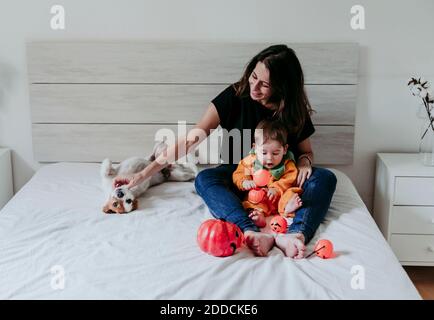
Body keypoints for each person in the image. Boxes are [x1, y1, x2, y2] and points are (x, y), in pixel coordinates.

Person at [112, 44, 337, 259]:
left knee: (325, 178)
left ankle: (294, 234)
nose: (254, 87)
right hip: (238, 177)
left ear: (282, 87)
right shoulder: (235, 95)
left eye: (265, 84)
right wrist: (142, 175)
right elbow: (191, 140)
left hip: (281, 184)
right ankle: (250, 231)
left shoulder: (292, 110)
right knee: (205, 178)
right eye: (254, 76)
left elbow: (306, 151)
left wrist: (305, 162)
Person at [232, 119, 303, 229]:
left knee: (291, 193)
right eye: (264, 152)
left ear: (284, 149)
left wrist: (276, 188)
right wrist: (244, 181)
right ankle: (258, 215)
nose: (269, 158)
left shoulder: (287, 165)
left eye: (275, 153)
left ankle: (287, 210)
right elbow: (239, 173)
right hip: (260, 198)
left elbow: (289, 179)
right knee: (251, 201)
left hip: (278, 198)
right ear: (255, 148)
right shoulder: (250, 161)